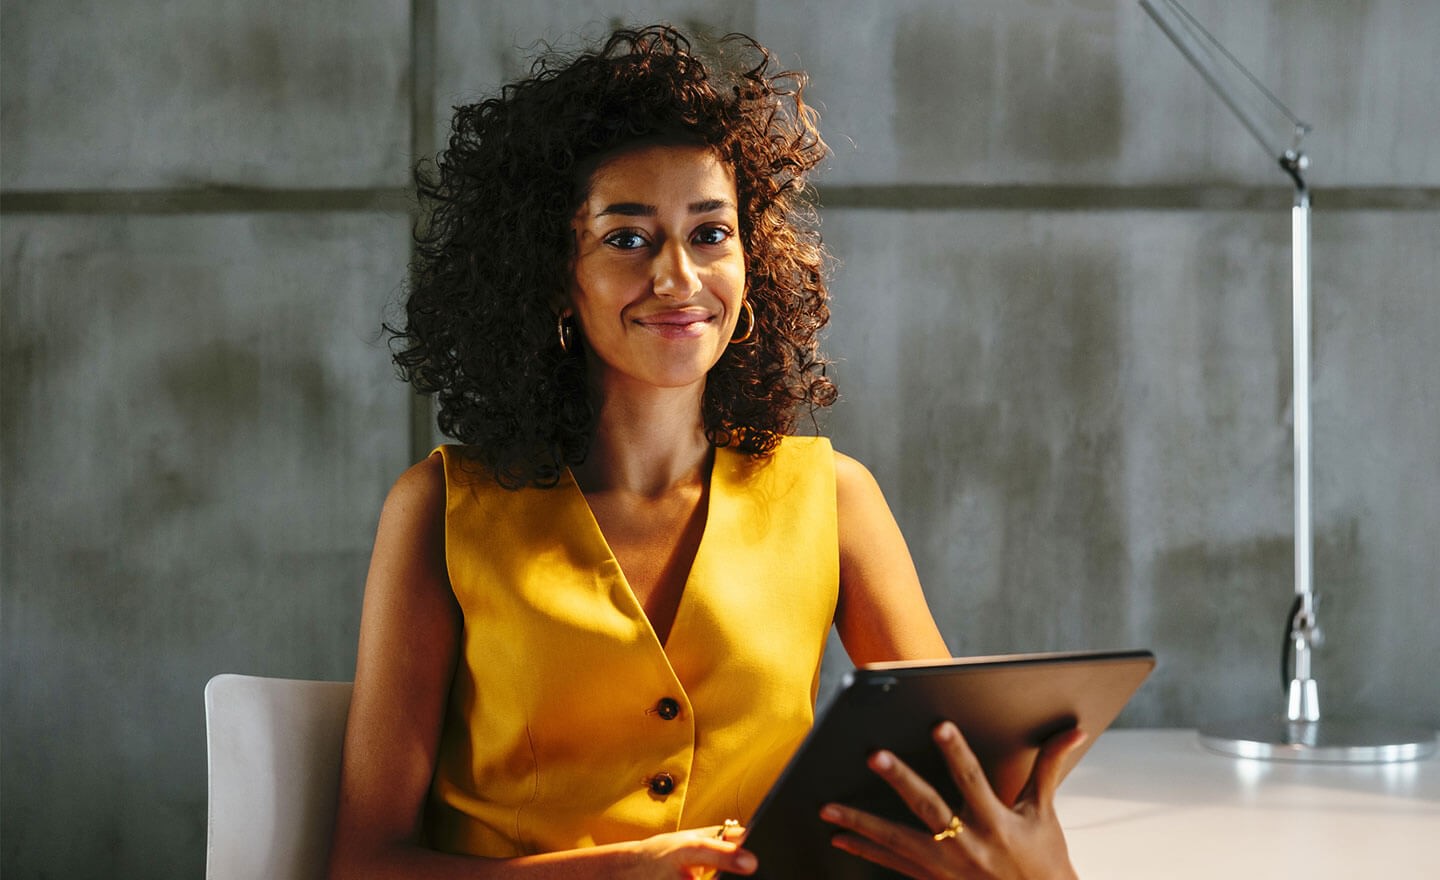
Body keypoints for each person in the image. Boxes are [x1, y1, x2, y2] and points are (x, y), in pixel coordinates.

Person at [326, 24, 1083, 880]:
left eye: (710, 233)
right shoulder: (440, 509)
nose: (680, 279)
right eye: (628, 237)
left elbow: (958, 772)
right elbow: (365, 863)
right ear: (553, 277)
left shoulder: (832, 498)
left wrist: (1032, 861)